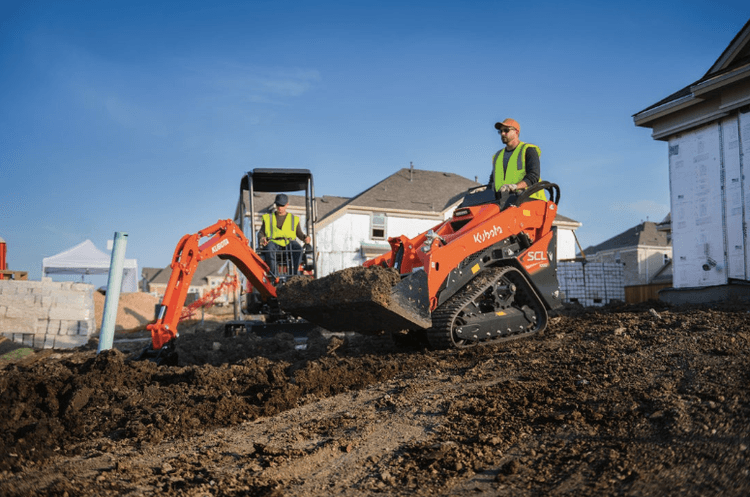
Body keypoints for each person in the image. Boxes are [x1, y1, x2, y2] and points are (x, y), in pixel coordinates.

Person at [489, 118, 546, 200]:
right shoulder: (498, 156)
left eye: (506, 130)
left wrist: (515, 187)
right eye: (500, 131)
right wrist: (481, 190)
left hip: (530, 201)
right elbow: (492, 182)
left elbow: (533, 176)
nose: (502, 133)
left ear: (516, 132)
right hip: (505, 202)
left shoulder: (528, 150)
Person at [259, 194, 311, 276]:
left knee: (298, 249)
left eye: (282, 205)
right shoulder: (268, 218)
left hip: (289, 243)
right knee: (269, 248)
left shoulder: (293, 219)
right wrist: (262, 238)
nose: (280, 207)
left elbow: (299, 233)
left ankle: (293, 275)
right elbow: (261, 233)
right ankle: (274, 276)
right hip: (273, 242)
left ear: (287, 204)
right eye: (278, 205)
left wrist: (305, 238)